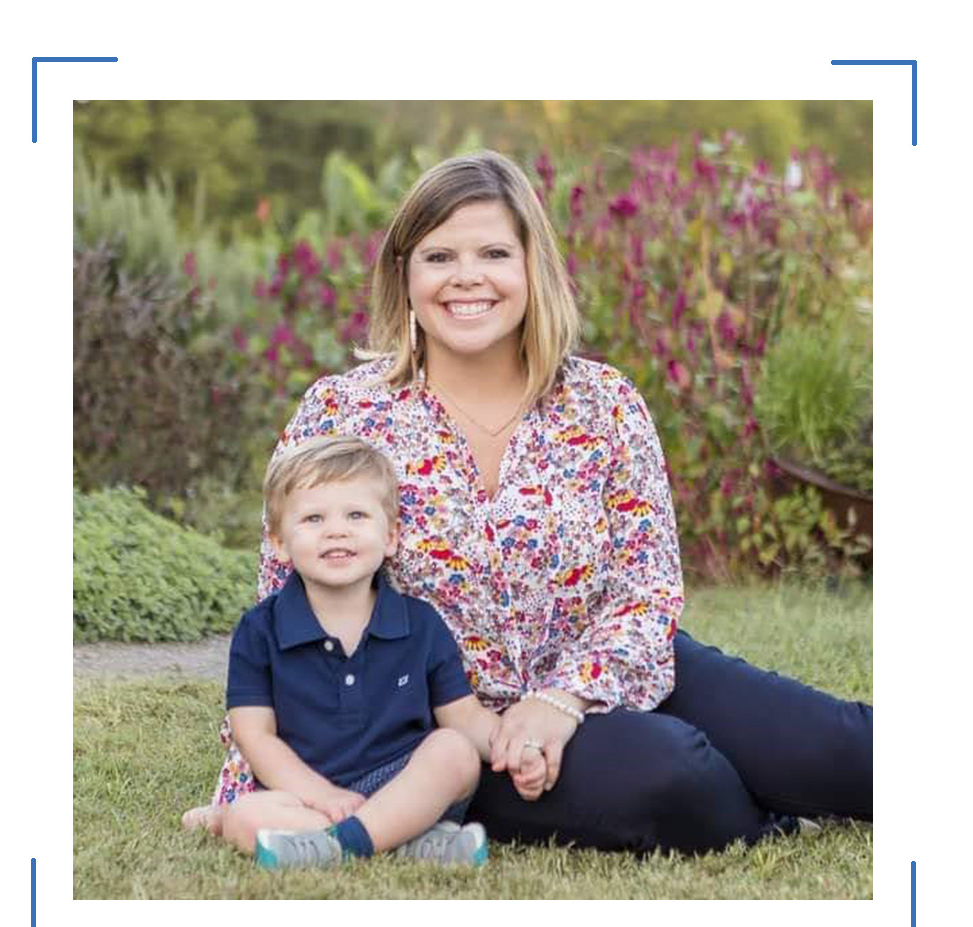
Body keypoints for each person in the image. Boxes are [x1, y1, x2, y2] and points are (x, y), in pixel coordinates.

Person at [198, 149, 872, 858]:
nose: (466, 278)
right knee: (677, 772)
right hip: (455, 735)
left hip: (612, 666)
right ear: (405, 273)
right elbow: (285, 613)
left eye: (493, 252)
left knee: (845, 750)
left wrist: (562, 700)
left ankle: (787, 781)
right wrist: (256, 781)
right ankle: (763, 814)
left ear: (531, 267)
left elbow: (647, 587)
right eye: (438, 256)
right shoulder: (342, 413)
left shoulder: (603, 402)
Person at [184, 435, 544, 868]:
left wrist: (514, 749)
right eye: (313, 518)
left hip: (405, 785)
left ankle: (341, 844)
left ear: (390, 536)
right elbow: (254, 735)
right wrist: (323, 796)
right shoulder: (260, 630)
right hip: (306, 795)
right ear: (279, 543)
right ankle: (407, 843)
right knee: (246, 816)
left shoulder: (419, 623)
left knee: (454, 752)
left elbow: (463, 717)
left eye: (356, 515)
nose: (337, 530)